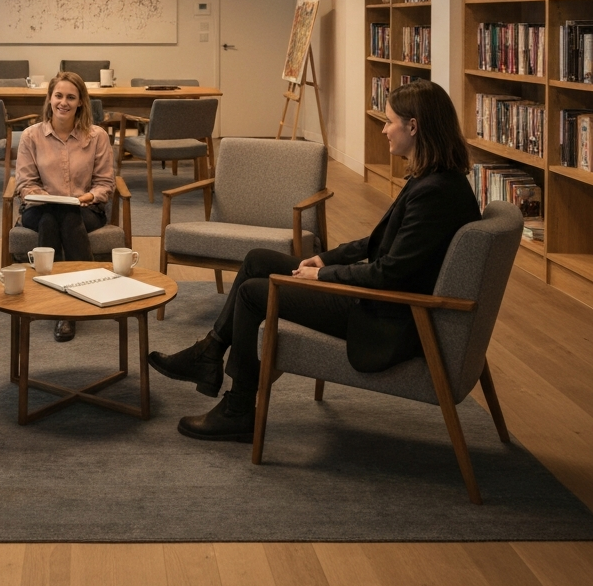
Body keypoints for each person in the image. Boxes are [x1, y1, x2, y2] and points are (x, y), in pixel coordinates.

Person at [148, 79, 481, 442]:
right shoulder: (435, 181)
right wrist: (322, 258)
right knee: (258, 260)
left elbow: (390, 273)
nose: (384, 130)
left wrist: (323, 278)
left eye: (389, 122)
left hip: (385, 315)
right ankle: (208, 353)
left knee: (253, 294)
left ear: (413, 126)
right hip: (379, 301)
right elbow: (376, 244)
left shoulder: (435, 194)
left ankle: (238, 407)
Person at [14, 71, 115, 341]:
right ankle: (83, 295)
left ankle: (56, 303)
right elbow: (25, 184)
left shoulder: (97, 136)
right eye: (58, 95)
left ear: (81, 102)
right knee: (50, 216)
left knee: (66, 217)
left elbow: (105, 184)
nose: (64, 102)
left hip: (85, 209)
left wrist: (87, 197)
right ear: (49, 99)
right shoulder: (30, 136)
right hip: (39, 208)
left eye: (71, 97)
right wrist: (41, 195)